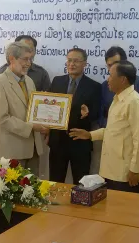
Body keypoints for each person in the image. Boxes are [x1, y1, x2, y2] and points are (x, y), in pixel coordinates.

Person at [69, 61, 139, 193]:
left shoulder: (134, 102)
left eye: (110, 75)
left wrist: (135, 170)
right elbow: (113, 131)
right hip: (111, 170)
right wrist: (90, 135)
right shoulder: (117, 99)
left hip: (125, 174)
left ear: (122, 79)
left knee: (126, 212)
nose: (107, 79)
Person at [0, 42, 48, 174]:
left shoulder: (29, 81)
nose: (29, 63)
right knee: (13, 192)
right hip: (11, 150)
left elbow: (33, 110)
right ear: (11, 59)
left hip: (33, 149)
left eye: (30, 59)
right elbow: (2, 119)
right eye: (25, 59)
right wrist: (31, 127)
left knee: (33, 191)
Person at [48, 48, 101, 184]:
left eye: (76, 61)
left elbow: (97, 113)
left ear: (85, 64)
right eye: (69, 60)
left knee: (81, 184)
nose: (72, 64)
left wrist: (88, 113)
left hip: (80, 142)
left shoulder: (94, 86)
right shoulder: (57, 81)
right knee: (55, 182)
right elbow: (50, 108)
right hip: (57, 142)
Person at [99, 46, 139, 128]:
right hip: (107, 134)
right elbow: (101, 114)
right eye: (109, 65)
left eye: (115, 63)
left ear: (125, 62)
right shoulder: (105, 85)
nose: (112, 67)